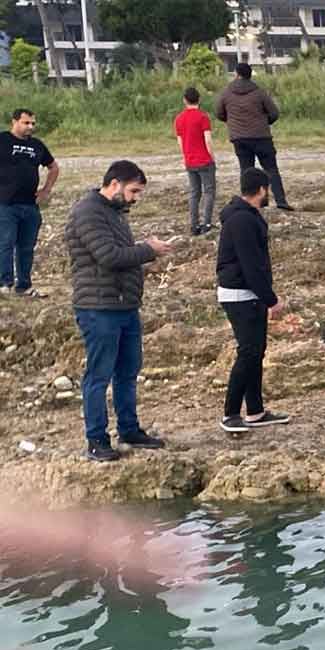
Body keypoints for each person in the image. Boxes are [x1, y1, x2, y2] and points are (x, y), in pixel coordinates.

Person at [64, 161, 172, 462]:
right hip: (98, 309)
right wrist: (148, 250)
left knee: (127, 371)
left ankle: (129, 430)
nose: (136, 198)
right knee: (98, 376)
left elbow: (120, 255)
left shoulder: (114, 212)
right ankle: (96, 439)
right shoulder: (88, 212)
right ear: (115, 184)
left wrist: (143, 253)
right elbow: (108, 256)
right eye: (134, 191)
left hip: (123, 305)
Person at [215, 168, 291, 434]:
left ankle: (255, 411)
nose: (268, 194)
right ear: (261, 190)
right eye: (267, 189)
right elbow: (251, 266)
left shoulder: (243, 217)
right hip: (239, 295)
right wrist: (271, 300)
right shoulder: (242, 221)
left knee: (255, 351)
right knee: (248, 352)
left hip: (247, 294)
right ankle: (230, 414)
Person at [215, 63, 293, 211]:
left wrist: (232, 121)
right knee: (271, 169)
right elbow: (274, 113)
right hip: (261, 136)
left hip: (239, 138)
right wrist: (265, 122)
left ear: (237, 74)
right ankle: (281, 201)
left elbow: (219, 113)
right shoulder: (259, 92)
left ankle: (251, 203)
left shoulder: (226, 93)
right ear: (250, 75)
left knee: (246, 170)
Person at [0, 108, 59, 297]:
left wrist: (46, 190)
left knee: (26, 246)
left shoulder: (37, 145)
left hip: (30, 205)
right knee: (5, 243)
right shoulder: (3, 140)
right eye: (26, 123)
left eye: (33, 123)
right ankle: (4, 284)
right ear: (15, 122)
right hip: (5, 204)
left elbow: (53, 167)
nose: (30, 127)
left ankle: (24, 286)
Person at [174, 87, 217, 236]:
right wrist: (212, 156)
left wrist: (186, 156)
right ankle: (207, 223)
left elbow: (180, 142)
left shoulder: (179, 119)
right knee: (209, 192)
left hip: (190, 161)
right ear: (199, 100)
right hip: (204, 160)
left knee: (194, 193)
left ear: (184, 100)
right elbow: (208, 140)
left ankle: (194, 225)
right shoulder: (203, 117)